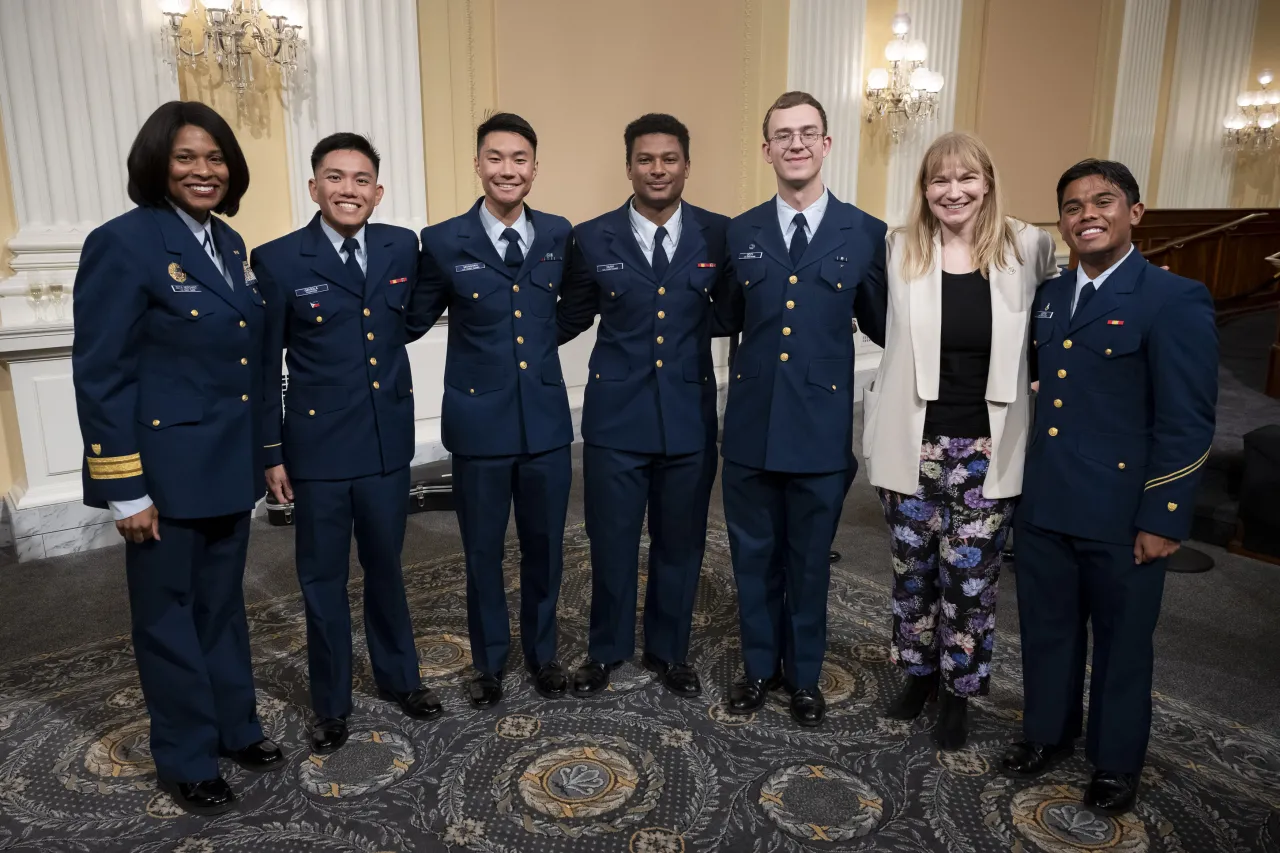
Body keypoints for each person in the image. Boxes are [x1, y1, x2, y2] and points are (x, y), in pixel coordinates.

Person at [71, 101, 282, 815]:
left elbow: (242, 365)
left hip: (225, 467)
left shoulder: (227, 244)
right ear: (158, 162)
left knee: (222, 610)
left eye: (216, 157)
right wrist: (123, 486)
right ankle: (187, 757)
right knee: (167, 620)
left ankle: (235, 726)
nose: (205, 170)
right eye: (188, 156)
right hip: (161, 474)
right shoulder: (123, 243)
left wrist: (260, 459)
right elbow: (101, 373)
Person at [1002, 160, 1218, 816]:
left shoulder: (1172, 298)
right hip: (1047, 503)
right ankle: (1047, 732)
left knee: (1122, 647)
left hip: (1124, 514)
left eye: (1103, 201)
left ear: (1135, 212)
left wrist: (1165, 516)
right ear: (1061, 221)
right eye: (1072, 206)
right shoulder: (1049, 295)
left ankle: (1116, 761)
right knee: (1047, 632)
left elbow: (1187, 421)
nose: (1086, 214)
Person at [862, 132, 1058, 749]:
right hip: (911, 441)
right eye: (939, 180)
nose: (953, 191)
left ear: (988, 183)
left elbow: (1054, 320)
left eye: (966, 179)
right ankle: (918, 676)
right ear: (924, 189)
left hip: (986, 446)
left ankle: (959, 696)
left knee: (970, 584)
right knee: (911, 574)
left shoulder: (1028, 245)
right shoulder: (899, 247)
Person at [254, 133, 441, 756]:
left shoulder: (399, 246)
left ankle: (400, 678)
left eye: (361, 180)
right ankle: (331, 702)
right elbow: (263, 365)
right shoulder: (278, 259)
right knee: (323, 580)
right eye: (335, 178)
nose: (349, 190)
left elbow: (404, 322)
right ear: (314, 188)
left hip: (386, 442)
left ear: (378, 191)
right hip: (319, 451)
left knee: (388, 568)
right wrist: (271, 452)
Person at [714, 91, 887, 727]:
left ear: (826, 145)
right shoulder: (742, 230)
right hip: (752, 430)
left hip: (819, 431)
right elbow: (726, 315)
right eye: (782, 135)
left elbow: (888, 325)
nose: (795, 144)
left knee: (810, 562)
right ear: (766, 150)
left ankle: (806, 677)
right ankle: (761, 668)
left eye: (807, 133)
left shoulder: (864, 232)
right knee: (752, 555)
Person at [557, 114, 728, 699]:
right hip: (615, 420)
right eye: (646, 159)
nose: (658, 169)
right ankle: (605, 649)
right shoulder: (591, 236)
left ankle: (669, 650)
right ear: (628, 165)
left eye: (669, 159)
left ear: (686, 165)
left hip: (688, 419)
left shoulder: (719, 234)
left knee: (680, 543)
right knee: (611, 541)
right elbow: (568, 316)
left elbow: (736, 312)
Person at [410, 113, 573, 708]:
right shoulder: (443, 239)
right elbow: (413, 316)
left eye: (520, 159)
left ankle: (544, 655)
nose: (509, 169)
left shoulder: (559, 233)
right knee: (482, 551)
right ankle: (488, 663)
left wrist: (537, 342)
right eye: (497, 158)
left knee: (545, 547)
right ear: (478, 164)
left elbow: (573, 306)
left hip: (547, 425)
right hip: (479, 426)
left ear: (534, 167)